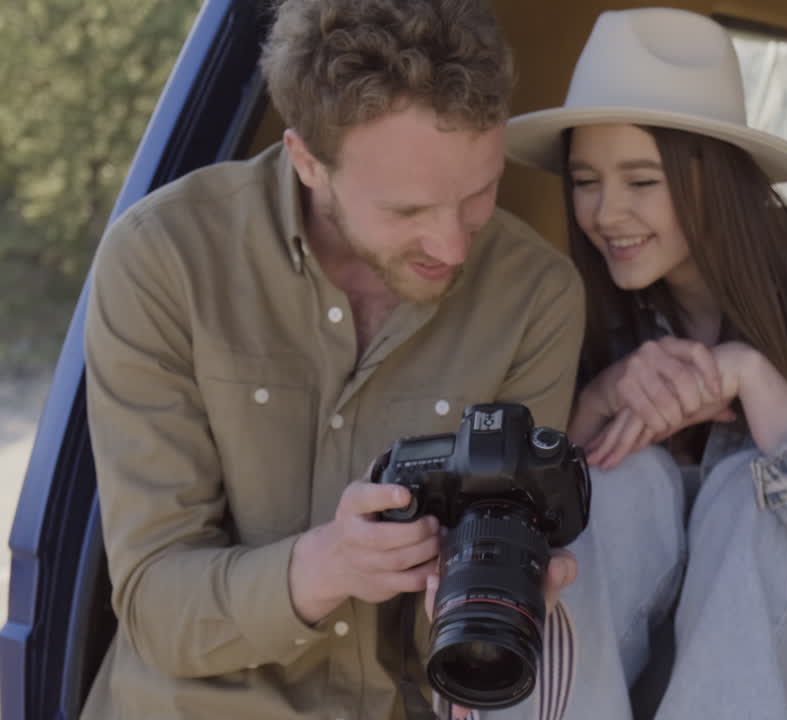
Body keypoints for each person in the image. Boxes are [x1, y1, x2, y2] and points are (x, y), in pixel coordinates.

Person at [81, 0, 584, 718]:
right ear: (307, 162)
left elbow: (481, 614)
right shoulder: (162, 261)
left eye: (479, 194)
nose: (454, 245)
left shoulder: (537, 295)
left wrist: (478, 592)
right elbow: (156, 603)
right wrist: (329, 565)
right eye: (408, 212)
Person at [504, 8, 787, 719]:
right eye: (585, 180)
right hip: (643, 683)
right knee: (612, 479)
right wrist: (603, 396)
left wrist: (756, 384)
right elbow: (518, 517)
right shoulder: (586, 300)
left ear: (717, 180)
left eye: (642, 182)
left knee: (752, 492)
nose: (606, 212)